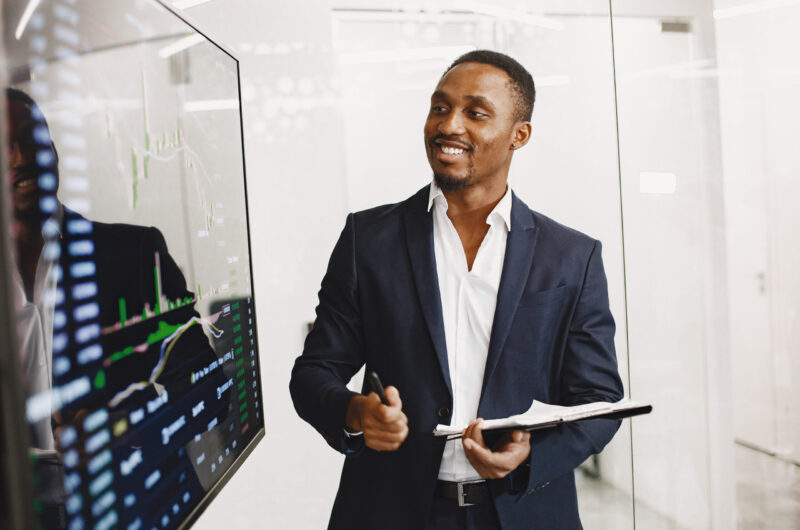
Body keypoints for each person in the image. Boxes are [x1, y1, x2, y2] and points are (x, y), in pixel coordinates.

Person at [290, 50, 624, 529]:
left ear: (519, 135)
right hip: (389, 513)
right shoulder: (369, 239)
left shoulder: (572, 256)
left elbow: (598, 402)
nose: (450, 125)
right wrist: (352, 410)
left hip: (523, 513)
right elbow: (314, 371)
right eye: (440, 107)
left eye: (476, 113)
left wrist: (529, 459)